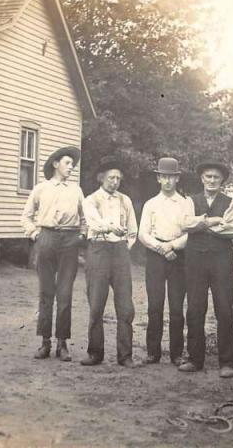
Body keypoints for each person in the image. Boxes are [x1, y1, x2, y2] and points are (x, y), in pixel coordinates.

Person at [20, 146, 86, 362]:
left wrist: (82, 236)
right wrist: (35, 234)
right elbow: (26, 216)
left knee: (65, 293)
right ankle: (45, 342)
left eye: (73, 164)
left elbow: (85, 217)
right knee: (46, 291)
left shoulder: (76, 190)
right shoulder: (41, 189)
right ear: (56, 164)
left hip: (70, 240)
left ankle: (62, 343)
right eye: (68, 163)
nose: (71, 167)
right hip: (46, 238)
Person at [178, 161, 233, 378]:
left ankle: (227, 362)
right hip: (195, 259)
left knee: (224, 308)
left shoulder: (231, 202)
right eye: (208, 177)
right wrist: (211, 221)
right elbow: (183, 224)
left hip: (222, 260)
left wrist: (200, 225)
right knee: (195, 308)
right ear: (202, 178)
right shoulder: (189, 200)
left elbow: (232, 229)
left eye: (216, 177)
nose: (212, 180)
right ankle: (195, 359)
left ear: (222, 180)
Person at [80, 156, 139, 368]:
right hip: (98, 250)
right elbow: (94, 222)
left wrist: (124, 246)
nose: (115, 182)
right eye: (111, 177)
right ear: (101, 178)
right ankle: (95, 353)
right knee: (96, 304)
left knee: (125, 306)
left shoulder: (126, 200)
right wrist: (110, 228)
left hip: (120, 252)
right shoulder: (90, 200)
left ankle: (126, 355)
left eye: (118, 178)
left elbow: (133, 230)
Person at [138, 157, 189, 366]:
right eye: (163, 177)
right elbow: (143, 234)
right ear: (158, 178)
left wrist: (173, 246)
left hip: (178, 256)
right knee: (155, 305)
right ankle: (153, 352)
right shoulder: (151, 204)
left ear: (177, 179)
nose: (167, 181)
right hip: (156, 256)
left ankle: (176, 353)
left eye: (171, 177)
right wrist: (161, 248)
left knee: (176, 307)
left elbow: (190, 233)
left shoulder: (186, 203)